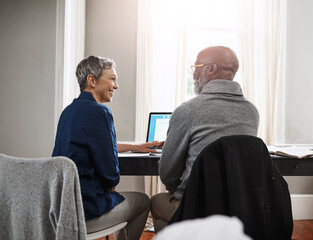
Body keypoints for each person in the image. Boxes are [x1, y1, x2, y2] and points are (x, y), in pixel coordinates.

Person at [151, 46, 260, 232]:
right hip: (238, 207)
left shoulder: (187, 111)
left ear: (211, 69)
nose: (193, 73)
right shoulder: (252, 111)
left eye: (196, 66)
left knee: (155, 202)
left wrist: (180, 191)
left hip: (197, 206)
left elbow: (167, 172)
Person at [52, 56, 157, 240]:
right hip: (85, 212)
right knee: (142, 201)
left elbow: (93, 144)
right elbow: (111, 179)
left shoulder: (68, 111)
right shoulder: (100, 112)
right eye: (112, 79)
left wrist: (136, 147)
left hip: (61, 209)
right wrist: (110, 190)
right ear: (92, 80)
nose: (116, 86)